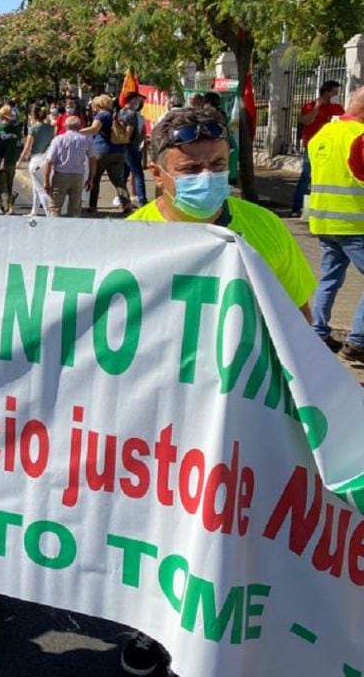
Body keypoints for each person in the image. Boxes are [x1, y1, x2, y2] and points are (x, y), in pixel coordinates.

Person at [122, 103, 316, 676]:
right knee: (158, 527)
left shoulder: (263, 227)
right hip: (163, 414)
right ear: (157, 171)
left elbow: (300, 319)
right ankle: (149, 628)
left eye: (216, 163)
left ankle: (222, 628)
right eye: (189, 168)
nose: (206, 177)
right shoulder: (131, 239)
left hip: (245, 409)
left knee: (229, 527)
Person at [307, 85, 364, 359]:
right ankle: (358, 341)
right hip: (356, 225)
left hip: (323, 222)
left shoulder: (323, 133)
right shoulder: (360, 137)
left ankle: (317, 331)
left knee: (329, 278)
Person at [293, 80, 344, 217]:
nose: (336, 95)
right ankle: (297, 207)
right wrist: (317, 108)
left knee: (325, 179)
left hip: (331, 148)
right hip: (313, 147)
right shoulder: (311, 106)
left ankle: (320, 208)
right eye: (334, 92)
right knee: (306, 176)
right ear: (326, 93)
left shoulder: (337, 108)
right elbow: (305, 121)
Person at [85, 94, 131, 214]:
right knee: (118, 180)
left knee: (95, 178)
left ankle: (93, 206)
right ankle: (127, 204)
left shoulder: (101, 115)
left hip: (102, 150)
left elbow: (94, 129)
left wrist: (76, 131)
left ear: (98, 105)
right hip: (118, 150)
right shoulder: (113, 115)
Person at [43, 116, 96, 217]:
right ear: (80, 126)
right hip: (78, 176)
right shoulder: (86, 139)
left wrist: (46, 181)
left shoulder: (58, 139)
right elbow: (92, 159)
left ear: (65, 126)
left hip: (61, 176)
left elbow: (49, 161)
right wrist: (91, 179)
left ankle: (53, 228)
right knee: (75, 208)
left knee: (55, 207)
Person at [18, 106, 56, 217]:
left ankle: (49, 214)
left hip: (36, 160)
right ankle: (34, 211)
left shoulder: (33, 129)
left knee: (40, 189)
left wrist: (20, 160)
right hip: (47, 158)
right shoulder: (50, 127)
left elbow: (27, 147)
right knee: (36, 187)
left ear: (33, 116)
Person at [0, 105, 23, 212]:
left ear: (1, 116)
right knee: (9, 185)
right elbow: (19, 141)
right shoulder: (16, 129)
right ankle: (7, 205)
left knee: (2, 186)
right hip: (12, 160)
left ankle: (6, 208)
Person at [120, 91, 149, 206]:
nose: (139, 103)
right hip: (131, 147)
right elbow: (129, 132)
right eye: (137, 100)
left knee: (123, 175)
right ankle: (142, 200)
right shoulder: (132, 114)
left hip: (123, 148)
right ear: (132, 100)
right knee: (138, 174)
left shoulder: (120, 112)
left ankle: (123, 199)